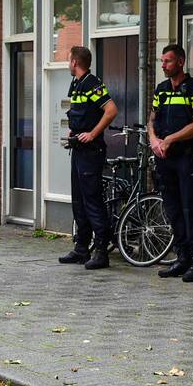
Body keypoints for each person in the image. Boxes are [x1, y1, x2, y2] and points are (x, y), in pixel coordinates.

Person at [148, 44, 193, 283]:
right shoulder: (162, 90)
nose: (163, 65)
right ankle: (182, 257)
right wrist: (154, 140)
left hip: (185, 157)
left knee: (190, 209)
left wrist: (171, 139)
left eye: (168, 61)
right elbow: (151, 120)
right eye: (162, 61)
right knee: (173, 210)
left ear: (181, 62)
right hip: (164, 159)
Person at [58, 46, 118, 270]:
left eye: (68, 60)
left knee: (92, 200)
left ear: (74, 62)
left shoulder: (92, 83)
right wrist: (75, 131)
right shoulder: (77, 85)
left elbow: (111, 110)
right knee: (79, 200)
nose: (68, 63)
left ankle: (101, 251)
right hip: (79, 150)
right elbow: (83, 114)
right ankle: (82, 248)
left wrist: (92, 133)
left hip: (91, 151)